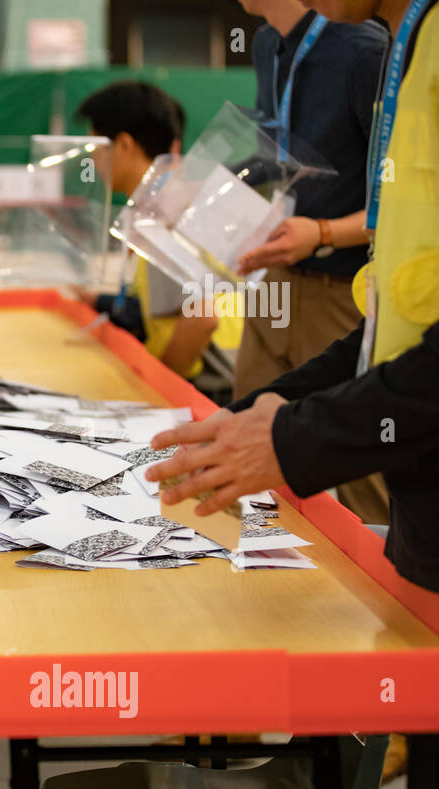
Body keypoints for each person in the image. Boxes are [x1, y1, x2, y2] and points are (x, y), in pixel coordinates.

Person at [151, 0, 439, 593]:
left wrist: (295, 437)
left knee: (361, 499)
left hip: (343, 296)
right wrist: (268, 414)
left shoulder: (369, 50)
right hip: (309, 300)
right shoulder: (397, 42)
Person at [233, 0, 390, 525]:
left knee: (355, 470)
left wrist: (322, 233)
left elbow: (398, 200)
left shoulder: (364, 48)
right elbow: (271, 156)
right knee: (249, 436)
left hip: (339, 287)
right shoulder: (263, 44)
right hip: (273, 277)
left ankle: (388, 598)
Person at [72, 82, 239, 389]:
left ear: (124, 145)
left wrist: (158, 387)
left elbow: (202, 318)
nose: (92, 160)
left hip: (206, 391)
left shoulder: (162, 216)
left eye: (96, 147)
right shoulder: (164, 204)